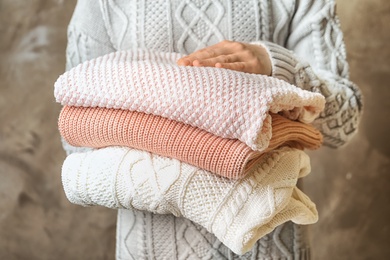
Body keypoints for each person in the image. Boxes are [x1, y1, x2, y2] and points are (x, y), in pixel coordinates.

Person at [63, 0, 362, 259]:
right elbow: (78, 131)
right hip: (147, 251)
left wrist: (274, 63)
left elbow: (343, 123)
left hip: (270, 250)